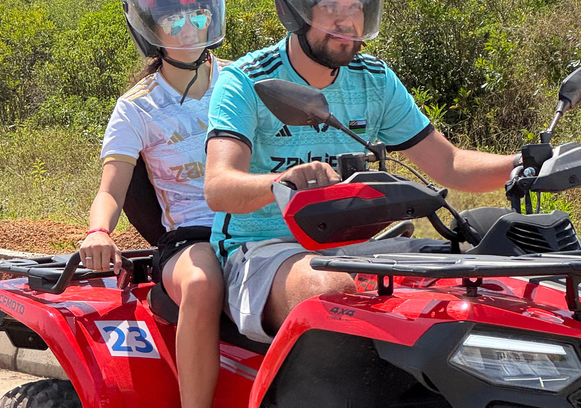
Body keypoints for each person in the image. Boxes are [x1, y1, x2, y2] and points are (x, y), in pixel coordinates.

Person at [203, 0, 519, 343]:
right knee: (331, 293)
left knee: (492, 265)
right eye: (330, 6)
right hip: (262, 250)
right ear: (293, 12)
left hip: (355, 247)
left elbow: (450, 165)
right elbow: (218, 188)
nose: (346, 20)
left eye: (355, 7)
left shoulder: (375, 79)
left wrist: (527, 163)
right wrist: (283, 181)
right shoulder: (248, 79)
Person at [79, 0, 227, 408]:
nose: (189, 26)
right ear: (151, 28)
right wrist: (99, 232)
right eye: (174, 17)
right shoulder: (137, 106)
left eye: (198, 13)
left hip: (260, 227)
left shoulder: (245, 84)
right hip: (191, 239)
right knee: (204, 280)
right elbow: (111, 188)